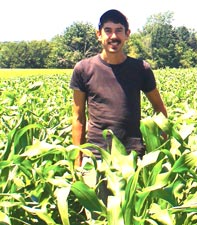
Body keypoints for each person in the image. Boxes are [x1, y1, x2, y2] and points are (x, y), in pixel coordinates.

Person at [70, 9, 168, 167]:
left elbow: (160, 110)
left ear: (127, 34)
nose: (113, 36)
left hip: (132, 155)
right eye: (108, 31)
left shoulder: (141, 69)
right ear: (98, 34)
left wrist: (160, 149)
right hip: (96, 156)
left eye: (119, 31)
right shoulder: (83, 69)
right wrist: (77, 160)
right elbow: (78, 118)